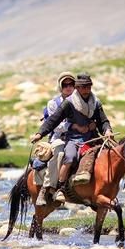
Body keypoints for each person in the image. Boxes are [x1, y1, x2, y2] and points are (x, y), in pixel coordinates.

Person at [30, 73, 113, 203]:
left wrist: (107, 130)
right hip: (73, 139)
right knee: (69, 157)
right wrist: (40, 133)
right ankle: (60, 188)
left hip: (92, 137)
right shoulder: (68, 103)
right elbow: (54, 120)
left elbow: (103, 120)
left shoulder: (95, 102)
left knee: (111, 155)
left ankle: (109, 186)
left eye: (88, 86)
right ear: (78, 88)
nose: (86, 90)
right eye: (83, 87)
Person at [35, 71, 76, 206]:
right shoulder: (53, 103)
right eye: (65, 85)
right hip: (58, 137)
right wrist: (72, 125)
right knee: (59, 153)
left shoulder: (79, 101)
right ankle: (46, 188)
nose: (68, 87)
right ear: (60, 87)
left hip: (77, 137)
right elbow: (55, 125)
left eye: (71, 84)